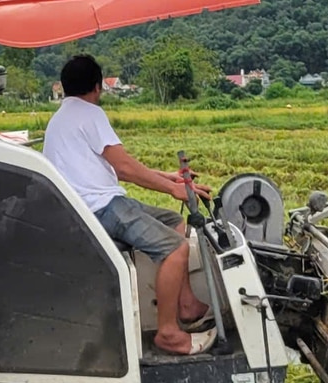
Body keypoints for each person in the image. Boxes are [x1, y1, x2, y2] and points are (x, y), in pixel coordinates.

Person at [43, 54, 213, 355]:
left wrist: (168, 177)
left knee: (175, 222)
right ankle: (168, 333)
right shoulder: (91, 114)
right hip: (101, 208)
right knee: (175, 248)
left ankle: (186, 305)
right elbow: (124, 169)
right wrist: (174, 189)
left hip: (91, 204)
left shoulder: (61, 118)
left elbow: (109, 167)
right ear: (97, 87)